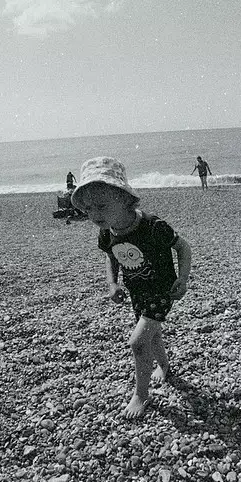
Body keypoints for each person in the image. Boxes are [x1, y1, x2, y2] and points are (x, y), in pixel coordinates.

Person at [71, 156, 192, 418]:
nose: (94, 214)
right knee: (153, 335)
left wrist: (183, 278)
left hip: (161, 290)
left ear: (125, 199)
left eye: (101, 205)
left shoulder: (152, 226)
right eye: (88, 209)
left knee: (138, 342)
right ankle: (164, 367)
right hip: (137, 291)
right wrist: (113, 283)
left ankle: (141, 395)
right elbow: (111, 256)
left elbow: (183, 247)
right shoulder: (107, 232)